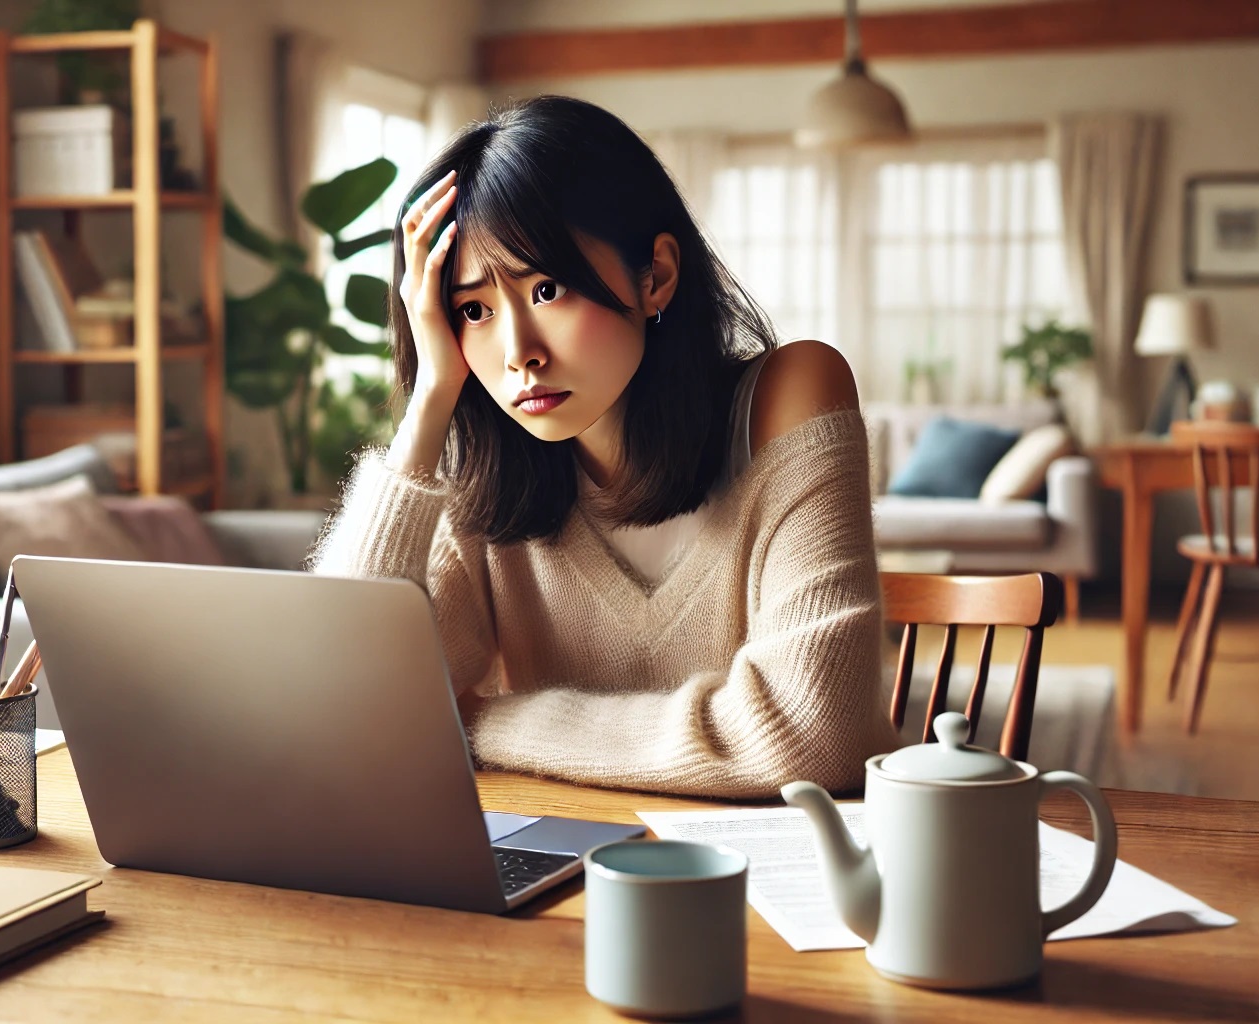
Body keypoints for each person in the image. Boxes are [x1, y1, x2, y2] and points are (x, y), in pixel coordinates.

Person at [308, 95, 898, 798]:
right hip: (563, 871)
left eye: (548, 289)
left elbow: (808, 738)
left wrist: (485, 725)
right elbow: (343, 701)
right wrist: (432, 397)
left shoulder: (789, 394)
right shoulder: (492, 474)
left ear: (656, 276)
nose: (518, 353)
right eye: (473, 311)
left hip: (762, 887)